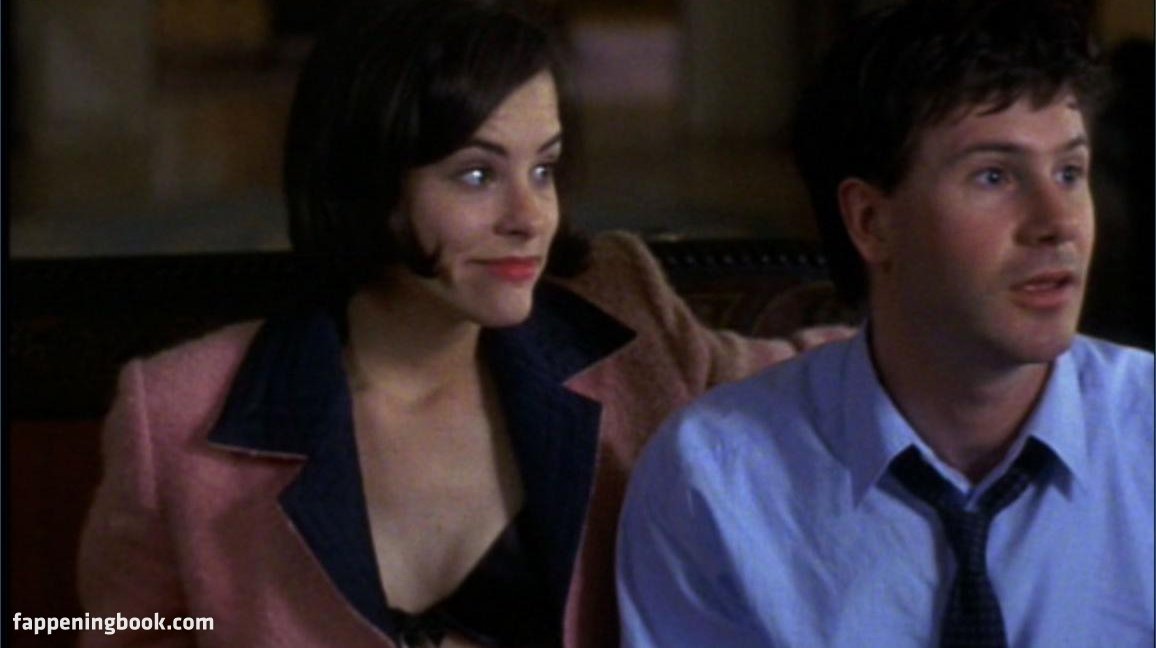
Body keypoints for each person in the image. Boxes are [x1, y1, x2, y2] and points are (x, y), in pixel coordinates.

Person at [77, 1, 848, 646]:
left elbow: (831, 379)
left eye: (543, 169)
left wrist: (911, 259)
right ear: (368, 184)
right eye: (477, 175)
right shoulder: (174, 412)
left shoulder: (623, 324)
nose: (530, 217)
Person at [617, 0, 1154, 646]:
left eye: (1069, 172)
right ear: (871, 222)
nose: (1059, 222)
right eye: (994, 176)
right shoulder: (716, 481)